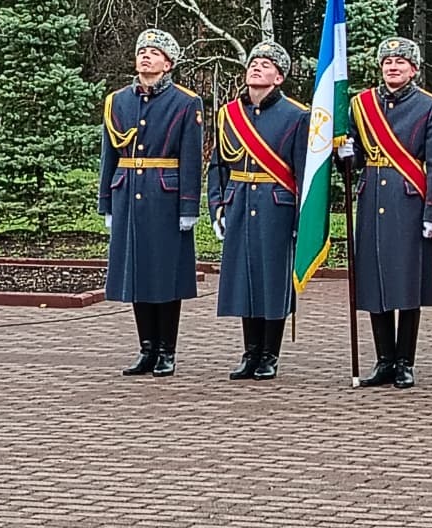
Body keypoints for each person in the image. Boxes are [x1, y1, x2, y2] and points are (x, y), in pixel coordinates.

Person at [99, 29, 203, 378]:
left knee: (164, 275)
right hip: (128, 192)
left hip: (165, 196)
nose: (145, 56)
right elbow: (108, 156)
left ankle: (166, 350)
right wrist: (107, 203)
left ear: (168, 63)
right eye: (142, 50)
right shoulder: (118, 101)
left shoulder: (186, 102)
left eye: (154, 52)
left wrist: (189, 207)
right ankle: (146, 348)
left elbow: (191, 158)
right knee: (137, 273)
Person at [344, 37, 432, 389]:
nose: (393, 66)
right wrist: (345, 153)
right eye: (387, 61)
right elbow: (355, 157)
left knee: (406, 284)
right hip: (372, 198)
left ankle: (405, 361)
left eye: (401, 61)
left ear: (413, 69)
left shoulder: (430, 107)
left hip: (408, 199)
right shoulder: (361, 104)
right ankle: (384, 359)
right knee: (374, 281)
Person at [209, 41, 309, 381]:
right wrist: (217, 206)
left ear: (279, 77)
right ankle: (249, 352)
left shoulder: (297, 116)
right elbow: (218, 166)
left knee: (272, 280)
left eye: (266, 65)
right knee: (244, 279)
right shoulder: (229, 114)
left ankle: (269, 354)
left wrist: (301, 219)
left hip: (275, 204)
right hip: (239, 201)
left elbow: (303, 170)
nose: (256, 68)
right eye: (254, 63)